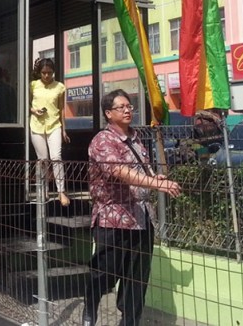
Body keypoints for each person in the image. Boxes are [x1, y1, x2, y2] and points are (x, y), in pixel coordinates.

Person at [82, 89, 182, 326]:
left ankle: (130, 321)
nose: (127, 110)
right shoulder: (102, 141)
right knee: (105, 272)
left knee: (136, 278)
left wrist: (154, 178)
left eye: (129, 106)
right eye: (121, 107)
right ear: (108, 113)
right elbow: (119, 172)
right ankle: (90, 306)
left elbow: (140, 170)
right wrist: (157, 184)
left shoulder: (136, 138)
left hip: (141, 217)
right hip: (113, 218)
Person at [29, 58, 71, 206]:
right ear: (39, 72)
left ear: (53, 72)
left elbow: (62, 109)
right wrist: (34, 111)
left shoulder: (60, 87)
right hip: (36, 125)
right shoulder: (33, 85)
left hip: (54, 125)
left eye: (49, 73)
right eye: (43, 73)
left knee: (56, 157)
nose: (46, 76)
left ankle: (61, 191)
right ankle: (43, 190)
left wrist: (64, 130)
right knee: (42, 159)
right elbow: (26, 104)